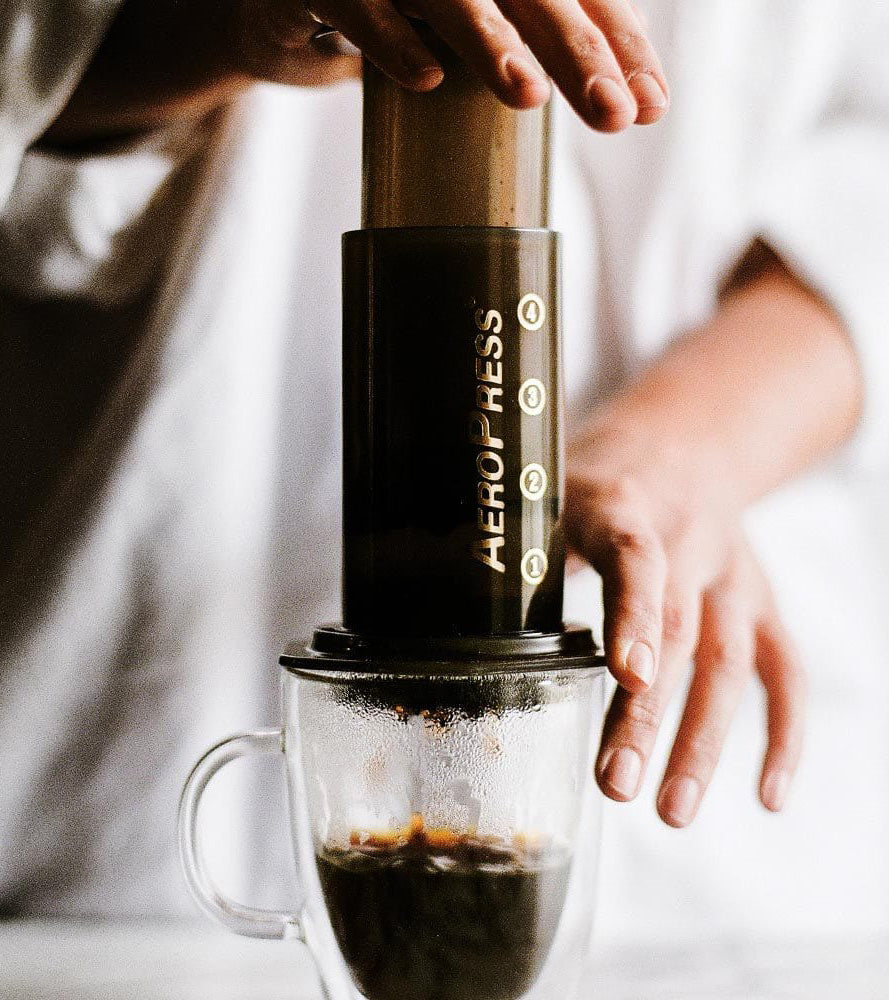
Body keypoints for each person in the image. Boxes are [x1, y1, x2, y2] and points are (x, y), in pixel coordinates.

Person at [1, 0, 888, 942]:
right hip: (134, 843)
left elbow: (861, 174)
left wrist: (673, 457)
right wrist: (191, 30)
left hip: (714, 890)